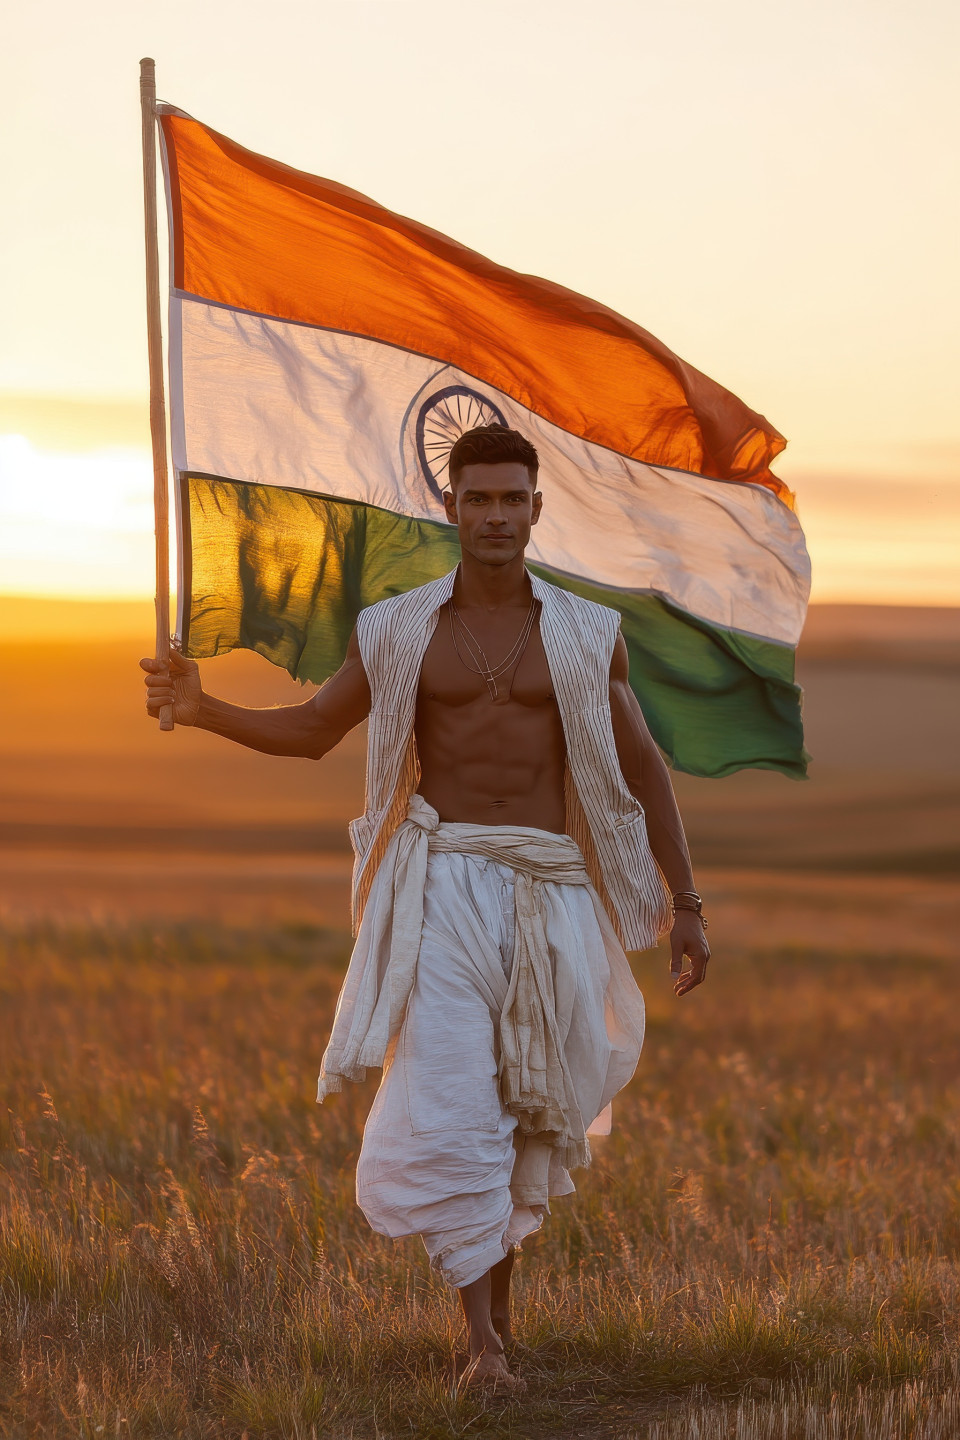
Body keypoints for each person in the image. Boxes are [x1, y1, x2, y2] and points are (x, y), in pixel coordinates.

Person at [141, 424, 710, 1388]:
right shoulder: (402, 628)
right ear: (450, 508)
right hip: (440, 885)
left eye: (511, 499)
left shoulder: (583, 633)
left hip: (549, 890)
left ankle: (499, 1321)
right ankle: (481, 1346)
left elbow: (642, 767)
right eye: (477, 499)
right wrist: (203, 709)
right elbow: (317, 730)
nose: (494, 515)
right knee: (454, 1099)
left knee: (526, 1103)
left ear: (537, 509)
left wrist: (684, 901)